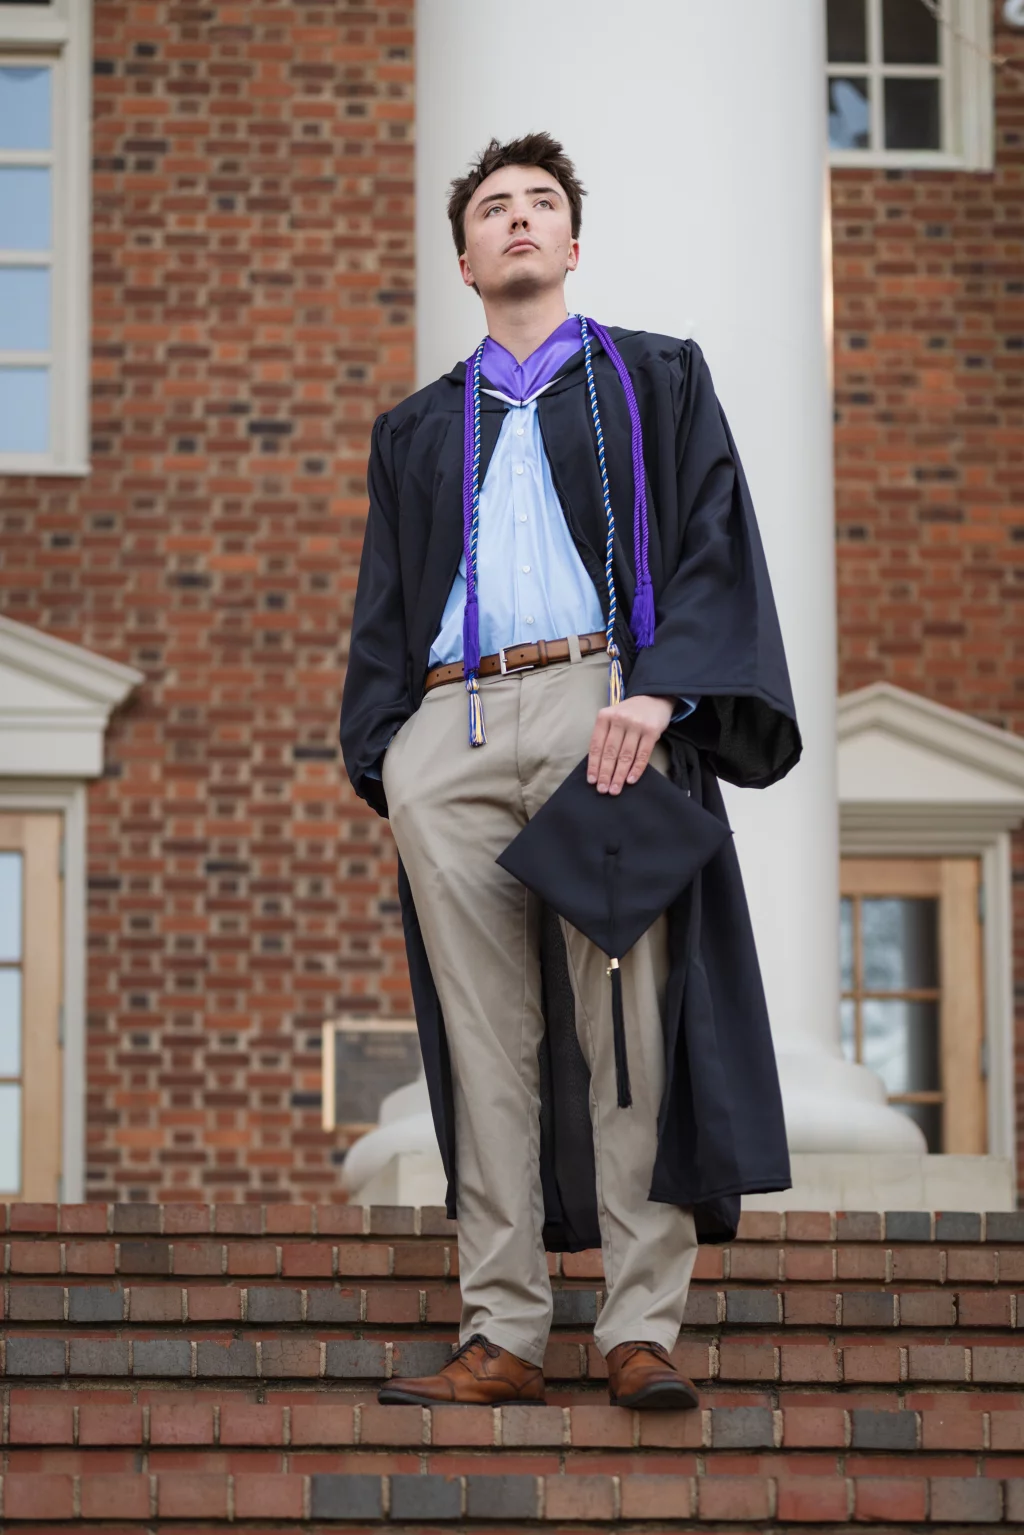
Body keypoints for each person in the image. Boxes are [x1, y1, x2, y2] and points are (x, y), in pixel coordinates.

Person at [340, 132, 801, 1410]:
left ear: (573, 241)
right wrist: (392, 757)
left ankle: (636, 1327)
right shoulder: (419, 426)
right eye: (495, 208)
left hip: (608, 712)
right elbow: (384, 605)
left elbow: (711, 537)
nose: (520, 220)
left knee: (629, 1033)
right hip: (456, 725)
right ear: (467, 253)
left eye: (543, 203)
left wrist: (659, 691)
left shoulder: (652, 377)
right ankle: (502, 1328)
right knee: (485, 1042)